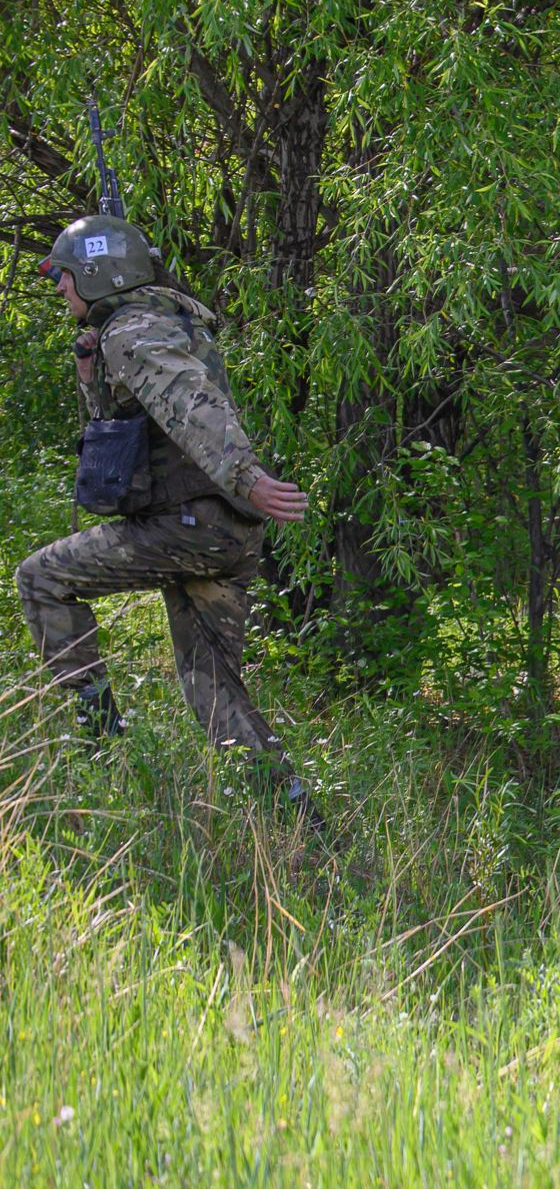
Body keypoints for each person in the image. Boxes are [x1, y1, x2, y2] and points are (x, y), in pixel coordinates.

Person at [19, 213, 323, 829]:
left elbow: (188, 403)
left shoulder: (131, 331)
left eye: (65, 275)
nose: (57, 287)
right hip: (223, 533)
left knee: (41, 579)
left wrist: (248, 477)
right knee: (213, 693)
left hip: (188, 525)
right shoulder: (154, 320)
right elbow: (128, 423)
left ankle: (97, 732)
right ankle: (300, 829)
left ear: (98, 276)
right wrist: (87, 372)